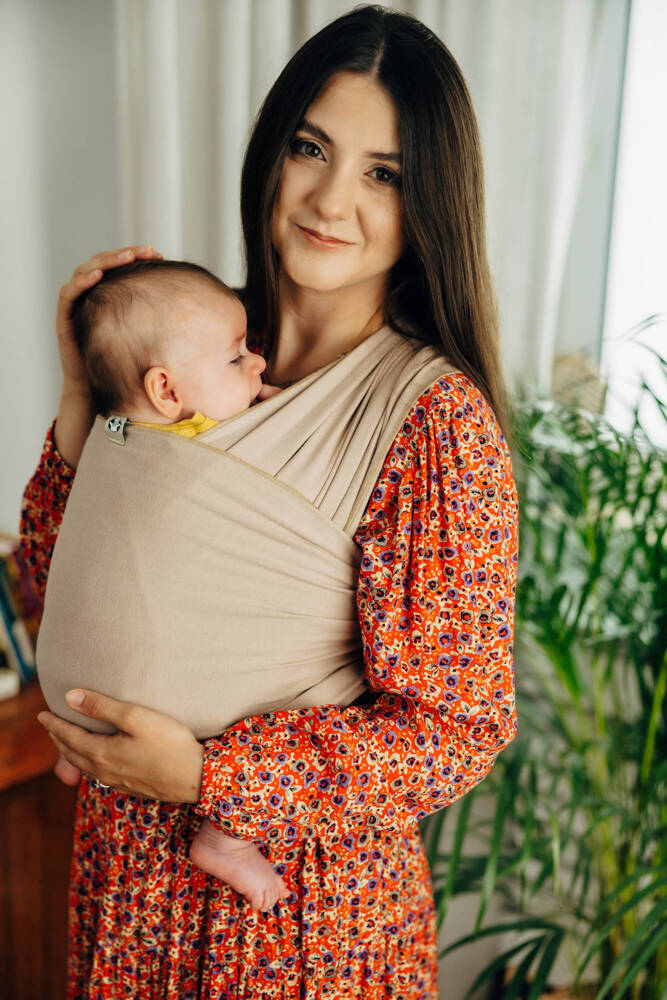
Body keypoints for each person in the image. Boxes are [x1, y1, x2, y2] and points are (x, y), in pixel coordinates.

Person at [25, 7, 519, 998]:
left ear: (430, 199)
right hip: (127, 891)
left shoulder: (432, 425)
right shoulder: (183, 348)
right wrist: (82, 392)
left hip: (296, 926)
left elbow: (456, 728)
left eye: (383, 173)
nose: (331, 199)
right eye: (311, 148)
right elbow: (52, 587)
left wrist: (212, 777)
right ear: (271, 152)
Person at [41, 257, 294, 913]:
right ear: (166, 389)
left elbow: (71, 487)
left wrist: (80, 388)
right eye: (237, 357)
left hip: (73, 687)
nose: (257, 363)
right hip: (169, 699)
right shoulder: (209, 438)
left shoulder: (113, 432)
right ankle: (227, 838)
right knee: (297, 687)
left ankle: (81, 746)